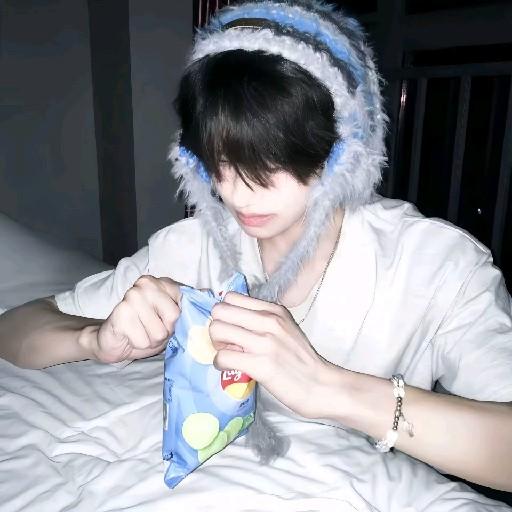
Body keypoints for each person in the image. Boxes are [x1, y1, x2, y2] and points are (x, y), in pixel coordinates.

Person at [1, 0, 511, 495]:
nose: (238, 193)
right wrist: (94, 340)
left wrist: (327, 388)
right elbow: (15, 328)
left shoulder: (437, 266)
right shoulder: (194, 245)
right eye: (219, 160)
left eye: (272, 158)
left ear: (346, 149)